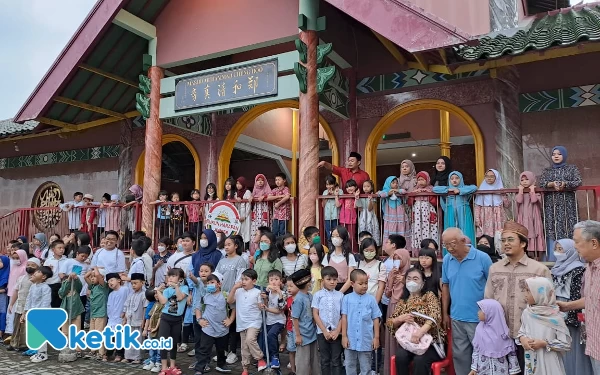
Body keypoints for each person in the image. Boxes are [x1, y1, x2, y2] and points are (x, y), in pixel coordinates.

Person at [484, 221, 552, 373]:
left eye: (510, 240)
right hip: (501, 336)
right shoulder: (495, 269)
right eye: (503, 240)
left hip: (529, 337)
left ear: (523, 244)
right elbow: (488, 300)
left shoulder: (539, 270)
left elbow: (548, 305)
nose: (505, 244)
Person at [441, 227, 492, 375]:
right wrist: (445, 313)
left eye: (453, 244)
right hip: (457, 317)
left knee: (483, 356)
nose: (449, 248)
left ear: (463, 241)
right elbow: (445, 286)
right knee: (460, 356)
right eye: (446, 245)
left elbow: (493, 285)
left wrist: (488, 312)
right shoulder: (447, 260)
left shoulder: (482, 258)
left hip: (480, 318)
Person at [387, 267, 444, 375]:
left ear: (423, 283)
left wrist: (420, 332)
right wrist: (400, 319)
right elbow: (390, 324)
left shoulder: (429, 296)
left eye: (415, 279)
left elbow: (435, 316)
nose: (411, 282)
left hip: (431, 343)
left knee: (420, 361)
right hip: (410, 342)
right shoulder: (403, 301)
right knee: (401, 356)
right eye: (408, 279)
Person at [550, 239, 593, 375]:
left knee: (574, 349)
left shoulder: (579, 269)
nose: (557, 252)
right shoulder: (555, 269)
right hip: (556, 313)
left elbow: (578, 294)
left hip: (572, 315)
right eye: (556, 249)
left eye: (561, 249)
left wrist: (569, 314)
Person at [517, 277, 571, 375]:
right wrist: (523, 339)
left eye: (528, 291)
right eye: (525, 290)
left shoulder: (555, 317)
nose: (525, 294)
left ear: (540, 294)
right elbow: (522, 331)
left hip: (550, 362)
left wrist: (545, 344)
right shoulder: (527, 313)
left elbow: (565, 344)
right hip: (532, 361)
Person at [539, 146, 582, 260]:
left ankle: (572, 257)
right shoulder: (547, 171)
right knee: (552, 229)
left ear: (564, 155)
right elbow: (541, 183)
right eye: (554, 154)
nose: (556, 156)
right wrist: (551, 184)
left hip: (567, 204)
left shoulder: (571, 169)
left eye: (559, 154)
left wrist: (565, 184)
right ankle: (552, 258)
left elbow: (578, 181)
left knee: (569, 227)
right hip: (551, 206)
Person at [570, 220, 600, 374]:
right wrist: (566, 306)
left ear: (594, 243)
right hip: (594, 343)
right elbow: (592, 299)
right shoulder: (588, 268)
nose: (574, 246)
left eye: (577, 242)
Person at [215, 234, 248, 365]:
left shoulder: (240, 260)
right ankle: (222, 351)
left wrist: (233, 292)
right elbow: (216, 276)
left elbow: (240, 278)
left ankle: (233, 352)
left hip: (234, 295)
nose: (226, 247)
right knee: (223, 324)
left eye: (229, 244)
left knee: (233, 325)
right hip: (221, 296)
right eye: (225, 245)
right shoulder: (222, 261)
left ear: (236, 246)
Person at [382, 234, 412, 375]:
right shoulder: (393, 273)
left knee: (403, 339)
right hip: (391, 307)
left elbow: (415, 292)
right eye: (395, 258)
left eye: (399, 258)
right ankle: (391, 370)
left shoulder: (411, 274)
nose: (396, 261)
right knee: (392, 339)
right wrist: (392, 279)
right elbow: (387, 294)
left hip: (405, 308)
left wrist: (405, 280)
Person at [341, 269, 381, 375]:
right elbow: (344, 318)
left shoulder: (371, 299)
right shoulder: (347, 298)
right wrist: (344, 336)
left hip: (366, 339)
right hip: (350, 338)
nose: (364, 286)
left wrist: (376, 337)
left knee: (366, 365)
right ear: (352, 284)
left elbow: (376, 318)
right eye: (361, 283)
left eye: (366, 283)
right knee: (349, 364)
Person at [227, 269, 267, 375]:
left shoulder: (258, 292)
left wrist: (263, 302)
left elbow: (261, 306)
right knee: (244, 347)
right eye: (242, 279)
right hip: (241, 323)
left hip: (254, 322)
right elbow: (229, 301)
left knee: (250, 339)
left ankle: (260, 358)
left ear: (254, 281)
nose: (243, 281)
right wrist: (235, 287)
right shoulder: (238, 291)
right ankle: (245, 368)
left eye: (246, 279)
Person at [194, 272, 233, 375]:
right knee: (204, 349)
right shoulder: (205, 296)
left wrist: (230, 320)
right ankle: (200, 368)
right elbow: (198, 308)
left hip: (222, 329)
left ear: (219, 284)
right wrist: (199, 320)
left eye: (212, 282)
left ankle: (221, 365)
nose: (209, 285)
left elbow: (234, 308)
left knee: (221, 349)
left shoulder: (225, 296)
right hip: (208, 328)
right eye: (208, 283)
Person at [468, 299, 520, 375]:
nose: (478, 313)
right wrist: (474, 368)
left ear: (490, 313)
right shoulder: (479, 329)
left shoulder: (503, 332)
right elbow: (476, 350)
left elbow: (511, 353)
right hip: (483, 371)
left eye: (481, 310)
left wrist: (513, 371)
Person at [156, 268, 190, 373]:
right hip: (166, 318)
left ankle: (172, 366)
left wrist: (176, 287)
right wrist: (158, 291)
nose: (170, 278)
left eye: (173, 276)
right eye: (169, 276)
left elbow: (179, 298)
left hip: (177, 319)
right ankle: (164, 367)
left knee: (174, 342)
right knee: (164, 342)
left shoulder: (184, 288)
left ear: (180, 279)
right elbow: (163, 301)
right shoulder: (166, 290)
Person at [312, 266, 343, 375]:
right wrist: (324, 331)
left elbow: (343, 315)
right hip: (322, 333)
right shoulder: (317, 295)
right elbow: (315, 314)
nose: (332, 282)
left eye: (334, 279)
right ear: (322, 280)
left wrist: (337, 331)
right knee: (324, 360)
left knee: (336, 360)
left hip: (336, 333)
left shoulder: (340, 295)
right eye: (329, 279)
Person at [434, 171, 478, 249]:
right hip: (451, 212)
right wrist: (448, 190)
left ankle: (468, 250)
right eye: (452, 178)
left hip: (463, 211)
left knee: (465, 230)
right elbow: (435, 189)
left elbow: (474, 187)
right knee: (451, 231)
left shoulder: (464, 188)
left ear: (461, 179)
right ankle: (451, 252)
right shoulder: (447, 189)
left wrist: (460, 191)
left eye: (457, 178)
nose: (454, 180)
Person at [290, 268, 321, 375]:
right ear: (307, 282)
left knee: (314, 360)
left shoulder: (310, 296)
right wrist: (297, 335)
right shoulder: (298, 299)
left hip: (312, 333)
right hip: (302, 335)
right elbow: (295, 318)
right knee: (303, 362)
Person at [6, 257, 39, 351]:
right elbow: (16, 291)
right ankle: (14, 343)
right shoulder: (21, 278)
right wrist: (11, 304)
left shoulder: (38, 280)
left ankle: (23, 344)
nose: (30, 267)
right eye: (28, 265)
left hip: (30, 307)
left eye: (33, 265)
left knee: (26, 327)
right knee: (17, 325)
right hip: (19, 305)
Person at [21, 266, 53, 363]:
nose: (35, 272)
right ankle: (38, 351)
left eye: (39, 272)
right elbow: (29, 300)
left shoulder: (45, 288)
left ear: (44, 277)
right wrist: (25, 312)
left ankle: (43, 353)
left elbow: (46, 302)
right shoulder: (33, 286)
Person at [258, 270, 286, 370]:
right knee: (265, 337)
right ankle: (266, 358)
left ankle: (275, 357)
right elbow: (265, 303)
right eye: (271, 280)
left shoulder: (282, 293)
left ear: (281, 281)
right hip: (269, 320)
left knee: (271, 335)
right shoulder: (268, 292)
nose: (273, 282)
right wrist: (264, 298)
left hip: (279, 321)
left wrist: (280, 294)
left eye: (276, 279)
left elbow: (280, 309)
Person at [516, 171, 545, 254]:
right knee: (523, 232)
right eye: (522, 180)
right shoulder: (520, 191)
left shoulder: (536, 191)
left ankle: (536, 253)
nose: (524, 181)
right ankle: (525, 252)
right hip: (523, 216)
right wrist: (521, 191)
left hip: (533, 216)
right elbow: (519, 200)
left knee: (535, 230)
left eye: (527, 179)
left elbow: (534, 200)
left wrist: (532, 191)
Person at [409, 171, 439, 251]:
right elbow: (409, 202)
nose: (421, 182)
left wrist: (428, 194)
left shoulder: (431, 189)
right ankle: (418, 251)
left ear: (427, 180)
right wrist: (413, 194)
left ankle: (431, 249)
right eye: (419, 180)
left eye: (423, 180)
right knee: (417, 230)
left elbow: (435, 202)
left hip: (428, 211)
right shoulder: (415, 189)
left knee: (429, 229)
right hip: (418, 213)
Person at [84, 266, 109, 360]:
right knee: (92, 333)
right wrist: (92, 270)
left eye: (94, 276)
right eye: (92, 277)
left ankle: (101, 352)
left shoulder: (103, 286)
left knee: (100, 333)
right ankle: (93, 350)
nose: (92, 278)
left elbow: (98, 275)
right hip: (93, 313)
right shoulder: (93, 286)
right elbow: (85, 277)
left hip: (101, 313)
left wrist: (95, 268)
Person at [474, 169, 509, 238]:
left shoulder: (500, 190)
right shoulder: (481, 190)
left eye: (492, 176)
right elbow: (477, 206)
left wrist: (503, 194)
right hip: (485, 216)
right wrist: (477, 219)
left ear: (497, 177)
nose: (489, 178)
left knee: (499, 236)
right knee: (486, 237)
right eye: (487, 176)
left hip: (498, 216)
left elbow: (507, 205)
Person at [322, 226, 356, 294]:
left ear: (343, 238)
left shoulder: (349, 257)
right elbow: (324, 276)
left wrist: (339, 293)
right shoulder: (328, 256)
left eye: (337, 236)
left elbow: (350, 279)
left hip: (345, 290)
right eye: (333, 236)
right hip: (329, 289)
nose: (334, 238)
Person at [58, 267, 85, 356]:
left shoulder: (76, 290)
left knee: (76, 330)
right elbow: (62, 292)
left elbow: (79, 287)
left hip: (76, 310)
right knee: (65, 331)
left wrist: (75, 279)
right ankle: (65, 346)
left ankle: (77, 349)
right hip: (65, 311)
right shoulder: (64, 290)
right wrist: (68, 281)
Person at [379, 176, 410, 243]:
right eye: (393, 183)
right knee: (391, 228)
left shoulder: (398, 190)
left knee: (400, 227)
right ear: (388, 183)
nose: (395, 184)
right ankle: (391, 245)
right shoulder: (386, 190)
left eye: (396, 183)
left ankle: (402, 245)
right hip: (390, 213)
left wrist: (396, 190)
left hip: (399, 212)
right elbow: (380, 194)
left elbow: (404, 192)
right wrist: (388, 193)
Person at [357, 237, 386, 303]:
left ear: (376, 250)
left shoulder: (380, 265)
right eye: (366, 251)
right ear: (362, 251)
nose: (369, 253)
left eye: (372, 250)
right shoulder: (358, 264)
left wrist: (375, 303)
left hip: (373, 300)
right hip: (358, 300)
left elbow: (381, 287)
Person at [143, 288, 164, 372]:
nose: (156, 295)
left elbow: (160, 318)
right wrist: (149, 327)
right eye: (155, 293)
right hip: (151, 329)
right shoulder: (155, 304)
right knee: (152, 346)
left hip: (159, 329)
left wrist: (155, 327)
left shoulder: (163, 305)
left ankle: (158, 363)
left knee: (159, 346)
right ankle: (152, 361)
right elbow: (150, 316)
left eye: (157, 293)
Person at [335, 179, 359, 252]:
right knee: (343, 236)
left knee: (351, 237)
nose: (349, 188)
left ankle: (354, 251)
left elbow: (355, 206)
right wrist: (336, 196)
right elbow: (338, 204)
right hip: (343, 219)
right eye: (348, 187)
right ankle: (344, 251)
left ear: (355, 187)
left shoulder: (356, 196)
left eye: (351, 186)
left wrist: (356, 197)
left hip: (352, 219)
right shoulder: (344, 196)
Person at [356, 180, 380, 245]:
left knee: (372, 230)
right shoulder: (361, 196)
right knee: (363, 230)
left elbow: (370, 209)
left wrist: (370, 200)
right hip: (363, 216)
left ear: (371, 187)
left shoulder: (373, 196)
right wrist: (357, 198)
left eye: (368, 186)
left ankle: (372, 245)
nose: (366, 188)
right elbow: (360, 208)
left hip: (370, 216)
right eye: (364, 186)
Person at [251, 174, 272, 243]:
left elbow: (270, 195)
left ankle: (266, 242)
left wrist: (264, 196)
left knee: (265, 225)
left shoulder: (267, 189)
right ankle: (255, 245)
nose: (260, 182)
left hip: (264, 209)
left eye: (262, 180)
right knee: (255, 227)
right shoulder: (254, 190)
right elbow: (251, 197)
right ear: (255, 182)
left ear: (265, 182)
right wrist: (251, 197)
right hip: (256, 211)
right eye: (258, 180)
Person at [269, 172, 291, 238]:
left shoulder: (286, 189)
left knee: (282, 232)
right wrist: (279, 196)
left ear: (284, 180)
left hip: (284, 215)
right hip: (276, 215)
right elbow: (269, 197)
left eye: (279, 179)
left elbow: (287, 197)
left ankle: (282, 246)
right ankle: (276, 247)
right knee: (275, 231)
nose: (277, 181)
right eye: (276, 180)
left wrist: (279, 203)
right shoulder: (275, 190)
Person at [322, 175, 340, 248]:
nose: (329, 186)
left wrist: (335, 195)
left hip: (336, 216)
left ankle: (337, 247)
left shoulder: (339, 190)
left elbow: (339, 203)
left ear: (334, 183)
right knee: (328, 233)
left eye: (330, 184)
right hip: (327, 216)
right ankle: (331, 248)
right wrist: (327, 196)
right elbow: (323, 205)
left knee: (336, 233)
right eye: (327, 184)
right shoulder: (325, 192)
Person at [285, 277, 299, 372]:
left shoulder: (301, 298)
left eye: (291, 286)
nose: (289, 288)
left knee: (300, 351)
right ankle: (293, 371)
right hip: (290, 328)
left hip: (299, 329)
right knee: (291, 350)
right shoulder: (288, 299)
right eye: (287, 286)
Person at [234, 177, 252, 247]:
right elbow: (235, 206)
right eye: (237, 183)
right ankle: (240, 248)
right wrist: (236, 200)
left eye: (240, 184)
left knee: (246, 231)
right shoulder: (236, 193)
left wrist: (245, 216)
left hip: (246, 215)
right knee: (239, 231)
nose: (238, 185)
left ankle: (246, 248)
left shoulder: (247, 192)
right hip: (238, 214)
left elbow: (248, 205)